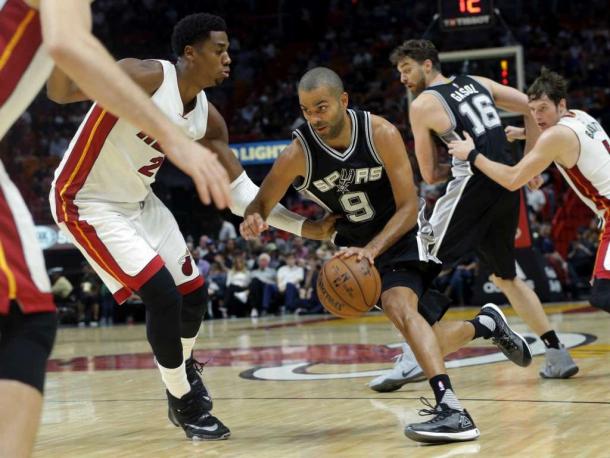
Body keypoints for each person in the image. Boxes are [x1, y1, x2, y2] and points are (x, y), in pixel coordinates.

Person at [240, 67, 531, 443]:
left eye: (321, 108)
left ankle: (453, 411)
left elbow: (409, 205)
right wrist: (261, 221)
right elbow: (261, 203)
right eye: (306, 110)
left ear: (343, 102)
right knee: (426, 336)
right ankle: (486, 325)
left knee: (399, 306)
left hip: (404, 234)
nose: (314, 118)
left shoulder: (380, 133)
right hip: (358, 248)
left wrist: (372, 250)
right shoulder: (298, 153)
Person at [0, 1, 231, 455]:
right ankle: (183, 397)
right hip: (88, 201)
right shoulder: (149, 74)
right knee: (33, 321)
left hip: (139, 202)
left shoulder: (204, 112)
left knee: (192, 297)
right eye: (219, 50)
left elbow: (63, 53)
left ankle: (180, 375)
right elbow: (65, 69)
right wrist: (174, 143)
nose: (227, 59)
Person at [373, 39, 578, 390]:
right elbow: (531, 108)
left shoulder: (423, 104)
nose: (403, 78)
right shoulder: (477, 82)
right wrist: (528, 164)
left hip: (472, 186)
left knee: (410, 267)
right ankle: (557, 353)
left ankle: (413, 357)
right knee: (505, 277)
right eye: (399, 72)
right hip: (505, 184)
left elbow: (429, 175)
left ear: (426, 65)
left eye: (406, 70)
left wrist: (444, 167)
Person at [447, 67, 610, 317]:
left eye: (542, 108)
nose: (536, 116)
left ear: (561, 104)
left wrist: (471, 154)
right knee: (601, 289)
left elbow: (513, 180)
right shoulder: (580, 116)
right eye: (531, 110)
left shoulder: (555, 136)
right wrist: (523, 133)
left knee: (603, 294)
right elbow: (561, 142)